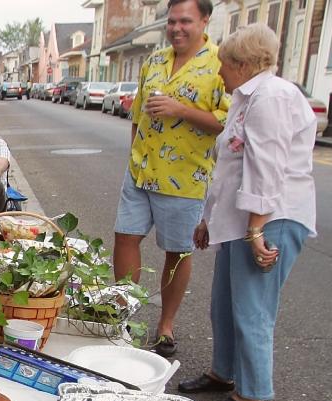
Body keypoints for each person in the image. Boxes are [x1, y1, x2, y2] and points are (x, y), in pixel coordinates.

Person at [178, 24, 316, 401]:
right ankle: (223, 372)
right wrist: (208, 219)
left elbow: (265, 170)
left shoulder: (272, 98)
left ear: (241, 64)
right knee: (224, 303)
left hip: (269, 220)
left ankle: (250, 394)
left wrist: (256, 231)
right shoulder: (247, 98)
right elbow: (229, 167)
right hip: (241, 221)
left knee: (252, 309)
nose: (218, 72)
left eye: (222, 64)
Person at [114, 0, 229, 358]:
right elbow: (137, 116)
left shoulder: (219, 64)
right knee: (125, 237)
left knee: (177, 252)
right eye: (172, 21)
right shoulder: (154, 61)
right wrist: (134, 153)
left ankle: (165, 325)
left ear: (204, 21)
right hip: (141, 170)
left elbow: (226, 121)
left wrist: (181, 110)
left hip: (185, 177)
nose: (177, 28)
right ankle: (123, 315)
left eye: (186, 21)